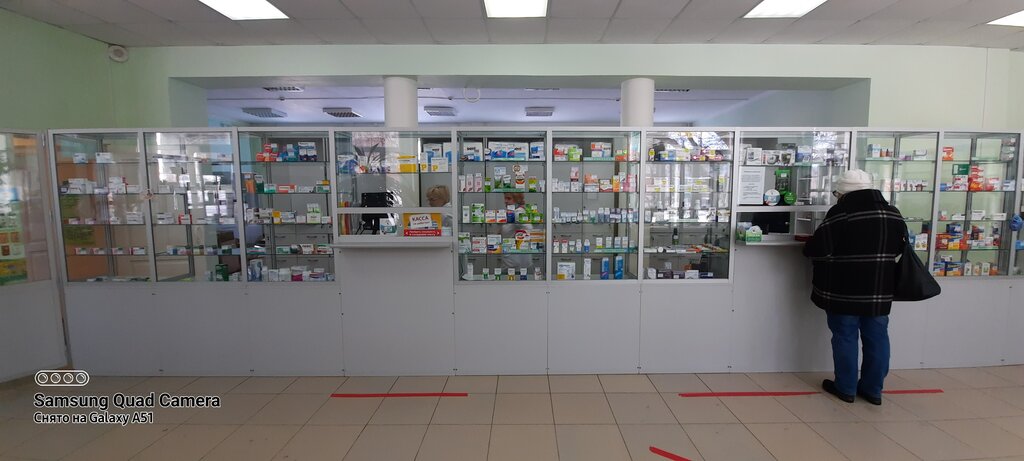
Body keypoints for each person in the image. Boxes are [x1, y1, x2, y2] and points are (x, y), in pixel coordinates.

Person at [803, 169, 906, 406]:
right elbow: (900, 248)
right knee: (878, 338)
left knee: (845, 336)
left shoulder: (842, 213)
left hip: (844, 288)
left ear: (843, 193)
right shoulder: (892, 213)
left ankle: (846, 387)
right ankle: (873, 390)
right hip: (880, 288)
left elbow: (817, 248)